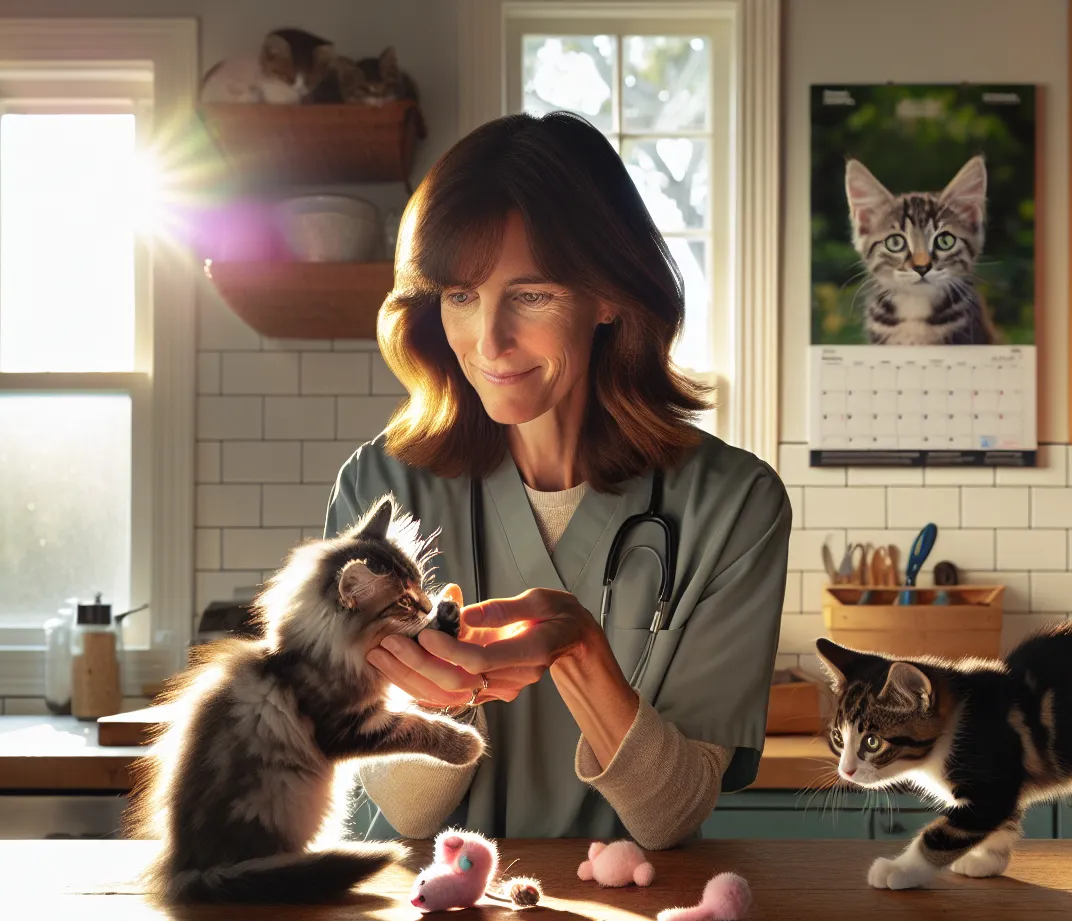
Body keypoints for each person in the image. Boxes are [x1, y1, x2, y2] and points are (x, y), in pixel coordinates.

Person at [325, 111, 791, 848]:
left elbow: (671, 817)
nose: (490, 340)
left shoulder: (735, 505)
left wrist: (580, 649)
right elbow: (408, 813)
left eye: (533, 293)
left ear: (609, 295)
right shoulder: (379, 491)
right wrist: (445, 702)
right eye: (460, 295)